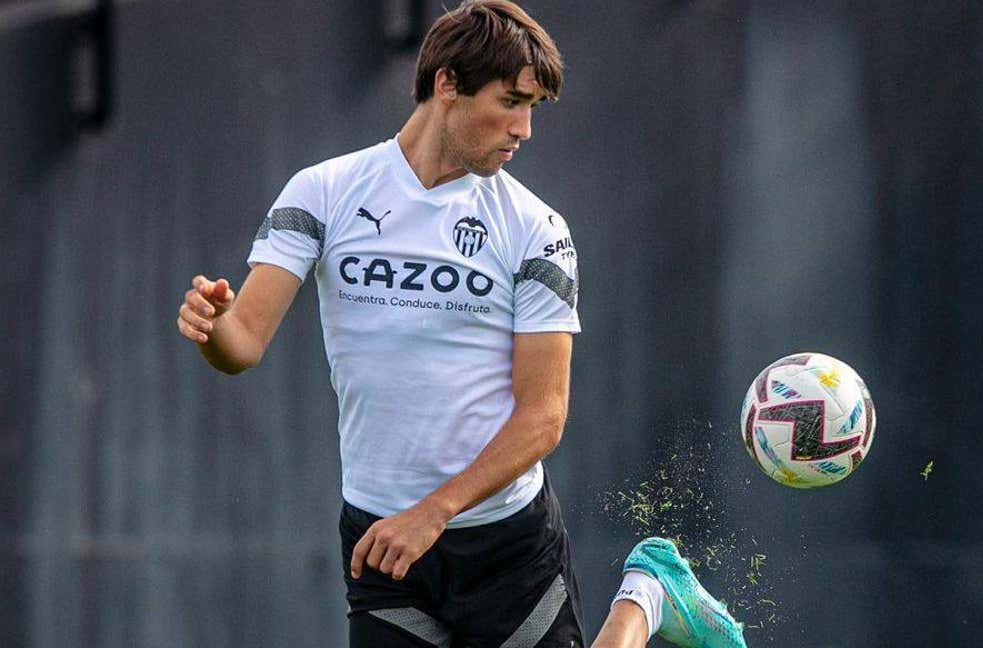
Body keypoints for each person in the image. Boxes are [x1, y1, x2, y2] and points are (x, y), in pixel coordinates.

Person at [175, 1, 746, 646]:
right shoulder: (323, 192)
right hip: (383, 541)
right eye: (510, 102)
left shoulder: (537, 229)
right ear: (447, 84)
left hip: (503, 544)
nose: (524, 129)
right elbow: (243, 344)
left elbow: (545, 415)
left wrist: (435, 512)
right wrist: (213, 327)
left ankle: (646, 594)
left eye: (533, 108)